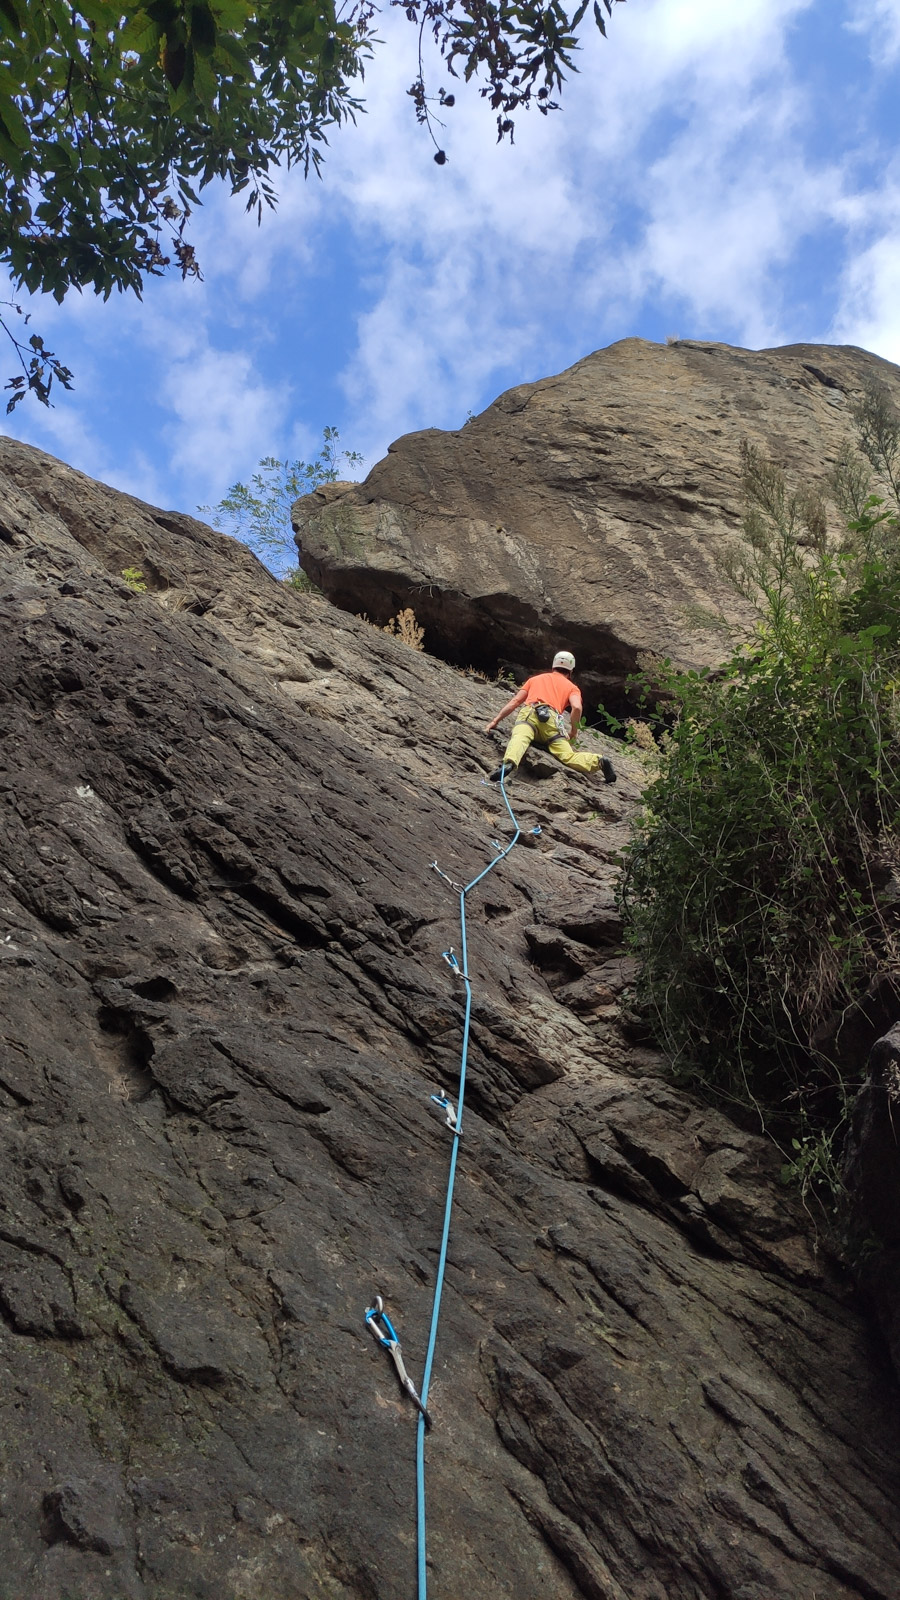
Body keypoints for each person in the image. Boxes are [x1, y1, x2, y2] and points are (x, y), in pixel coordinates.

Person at [484, 651, 616, 784]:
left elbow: (515, 702)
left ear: (554, 666)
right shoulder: (572, 688)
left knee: (520, 737)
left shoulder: (535, 680)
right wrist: (574, 732)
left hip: (531, 715)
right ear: (570, 671)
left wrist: (495, 721)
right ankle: (599, 761)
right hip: (552, 724)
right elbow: (577, 707)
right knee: (568, 756)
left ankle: (509, 764)